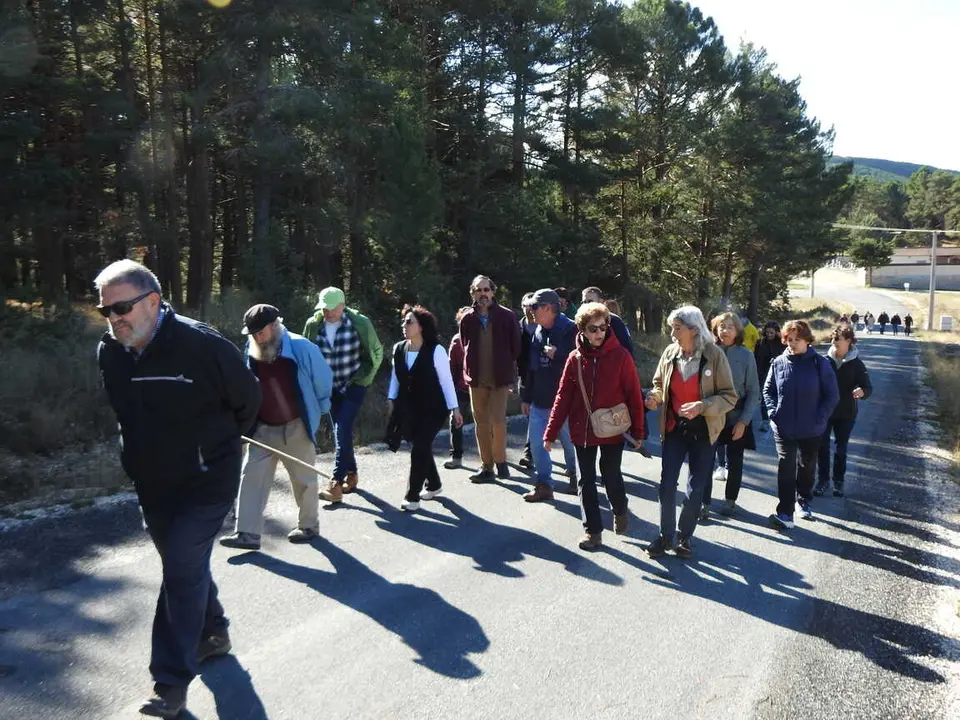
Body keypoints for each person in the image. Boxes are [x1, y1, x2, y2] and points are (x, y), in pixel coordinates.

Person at [95, 260, 261, 718]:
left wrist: (216, 447)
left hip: (207, 480)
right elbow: (126, 415)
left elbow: (248, 400)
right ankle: (213, 632)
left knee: (181, 568)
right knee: (182, 565)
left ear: (153, 300)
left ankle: (170, 681)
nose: (115, 318)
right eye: (106, 310)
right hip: (153, 483)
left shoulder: (201, 345)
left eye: (123, 307)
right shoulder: (110, 352)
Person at [220, 305, 333, 551]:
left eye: (260, 331)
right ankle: (247, 534)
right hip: (263, 427)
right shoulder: (252, 347)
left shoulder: (301, 347)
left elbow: (323, 380)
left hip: (296, 425)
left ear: (274, 325)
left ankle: (309, 526)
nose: (256, 337)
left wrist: (322, 415)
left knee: (304, 479)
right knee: (251, 477)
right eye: (252, 333)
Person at [545, 303, 645, 549]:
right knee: (585, 480)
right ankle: (592, 532)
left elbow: (634, 395)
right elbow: (562, 397)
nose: (599, 333)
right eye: (593, 329)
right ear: (582, 330)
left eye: (603, 327)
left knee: (611, 476)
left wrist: (640, 432)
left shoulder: (621, 356)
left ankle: (620, 508)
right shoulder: (574, 359)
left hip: (613, 428)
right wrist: (551, 432)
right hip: (582, 429)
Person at [643, 306, 737, 559]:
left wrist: (703, 406)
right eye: (672, 327)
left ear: (694, 330)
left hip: (705, 430)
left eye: (677, 328)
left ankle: (684, 536)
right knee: (666, 485)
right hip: (674, 428)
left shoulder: (714, 355)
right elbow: (659, 384)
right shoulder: (670, 353)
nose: (672, 333)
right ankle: (665, 536)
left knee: (695, 489)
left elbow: (729, 396)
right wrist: (655, 398)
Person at [303, 287, 383, 503]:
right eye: (323, 308)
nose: (326, 312)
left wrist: (365, 377)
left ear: (342, 306)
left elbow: (376, 352)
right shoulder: (314, 325)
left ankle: (335, 483)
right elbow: (306, 355)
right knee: (343, 431)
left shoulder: (360, 323)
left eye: (330, 308)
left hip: (354, 384)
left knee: (342, 428)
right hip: (330, 388)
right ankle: (352, 474)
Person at [763, 320, 839, 529]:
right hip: (784, 427)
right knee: (786, 468)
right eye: (789, 340)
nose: (793, 344)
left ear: (807, 340)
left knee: (806, 467)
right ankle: (785, 513)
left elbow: (832, 395)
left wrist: (820, 418)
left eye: (797, 340)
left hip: (811, 429)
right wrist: (773, 414)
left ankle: (803, 501)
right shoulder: (778, 362)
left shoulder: (820, 364)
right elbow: (768, 391)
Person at [386, 306, 463, 512]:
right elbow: (396, 376)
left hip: (433, 408)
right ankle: (434, 484)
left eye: (409, 321)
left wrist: (455, 409)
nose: (404, 325)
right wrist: (391, 399)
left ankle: (412, 497)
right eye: (403, 321)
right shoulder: (398, 348)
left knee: (420, 447)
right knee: (420, 446)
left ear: (421, 326)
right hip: (408, 408)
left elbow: (446, 382)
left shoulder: (436, 350)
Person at [459, 275, 521, 483]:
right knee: (481, 423)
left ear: (493, 292)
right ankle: (487, 466)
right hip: (476, 379)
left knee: (498, 420)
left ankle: (501, 461)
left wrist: (512, 374)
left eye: (486, 290)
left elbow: (516, 347)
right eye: (479, 290)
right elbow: (464, 345)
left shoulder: (507, 316)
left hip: (500, 378)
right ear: (473, 293)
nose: (483, 294)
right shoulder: (467, 318)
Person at [521, 289, 579, 501]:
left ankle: (576, 477)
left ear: (547, 308)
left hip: (565, 401)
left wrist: (559, 355)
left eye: (534, 307)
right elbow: (532, 367)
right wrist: (526, 396)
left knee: (570, 444)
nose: (530, 311)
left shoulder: (571, 330)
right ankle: (544, 485)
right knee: (537, 445)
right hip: (540, 399)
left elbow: (579, 364)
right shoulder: (537, 331)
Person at [703, 312, 760, 519]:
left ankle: (730, 501)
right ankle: (704, 503)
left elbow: (754, 391)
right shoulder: (708, 352)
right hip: (710, 416)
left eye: (730, 327)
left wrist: (744, 422)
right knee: (706, 460)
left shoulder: (746, 356)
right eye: (721, 326)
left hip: (736, 417)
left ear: (738, 331)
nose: (725, 330)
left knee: (735, 461)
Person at [815, 324, 872, 498]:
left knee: (841, 448)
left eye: (837, 339)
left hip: (846, 413)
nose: (834, 342)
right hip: (825, 411)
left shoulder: (857, 364)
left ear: (848, 341)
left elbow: (868, 387)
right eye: (832, 339)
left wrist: (862, 392)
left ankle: (838, 482)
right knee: (822, 446)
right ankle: (823, 480)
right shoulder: (824, 361)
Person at [444, 307, 474, 470]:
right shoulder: (457, 341)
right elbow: (451, 367)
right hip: (462, 389)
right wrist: (452, 389)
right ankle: (456, 457)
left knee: (488, 423)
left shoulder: (484, 338)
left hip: (482, 389)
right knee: (455, 420)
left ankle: (494, 457)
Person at [581, 286, 634, 357]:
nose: (586, 305)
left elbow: (627, 350)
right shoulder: (581, 322)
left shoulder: (615, 321)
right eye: (584, 302)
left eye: (590, 301)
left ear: (600, 302)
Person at [517, 293, 538, 469]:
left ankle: (530, 452)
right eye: (526, 305)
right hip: (524, 377)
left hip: (544, 377)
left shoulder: (545, 327)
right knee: (531, 415)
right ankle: (530, 452)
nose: (529, 309)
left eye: (532, 306)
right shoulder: (517, 328)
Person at [754, 321, 785, 433]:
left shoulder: (781, 343)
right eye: (767, 332)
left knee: (778, 396)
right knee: (764, 397)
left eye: (772, 333)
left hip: (779, 374)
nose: (769, 335)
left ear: (776, 332)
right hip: (763, 373)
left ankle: (779, 419)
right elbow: (755, 358)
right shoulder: (760, 342)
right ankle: (765, 421)